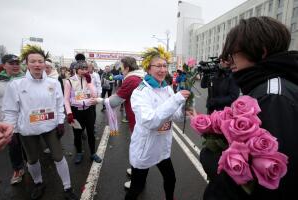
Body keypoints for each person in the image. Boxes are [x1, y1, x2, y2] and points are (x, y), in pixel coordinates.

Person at [202, 16, 298, 200]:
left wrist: (213, 160)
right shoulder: (267, 86)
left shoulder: (273, 96)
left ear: (261, 52)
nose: (230, 62)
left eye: (233, 54)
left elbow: (272, 177)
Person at [2, 45, 77, 200]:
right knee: (32, 159)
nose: (37, 64)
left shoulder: (54, 83)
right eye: (33, 61)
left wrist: (60, 122)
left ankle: (68, 187)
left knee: (58, 156)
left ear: (45, 64)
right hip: (27, 130)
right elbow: (10, 110)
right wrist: (12, 131)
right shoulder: (16, 84)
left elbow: (58, 104)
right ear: (26, 64)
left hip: (49, 127)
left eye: (40, 61)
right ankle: (38, 183)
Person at [125, 46, 191, 200]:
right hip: (145, 148)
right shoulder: (140, 92)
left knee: (171, 179)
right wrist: (176, 99)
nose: (162, 70)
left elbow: (174, 116)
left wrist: (184, 111)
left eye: (165, 66)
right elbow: (151, 121)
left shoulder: (167, 89)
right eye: (158, 66)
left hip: (162, 147)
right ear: (148, 68)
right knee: (137, 188)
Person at [94, 56, 145, 189]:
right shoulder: (139, 77)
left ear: (127, 68)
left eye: (122, 68)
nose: (120, 71)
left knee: (137, 151)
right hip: (140, 118)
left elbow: (115, 101)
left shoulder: (131, 80)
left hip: (137, 120)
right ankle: (136, 172)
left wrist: (100, 100)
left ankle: (137, 182)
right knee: (139, 149)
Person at [64, 61, 102, 164]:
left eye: (86, 69)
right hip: (76, 112)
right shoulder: (69, 81)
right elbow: (66, 99)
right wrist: (69, 113)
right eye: (82, 69)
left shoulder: (89, 79)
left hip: (89, 111)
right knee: (77, 134)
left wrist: (89, 83)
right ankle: (79, 152)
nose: (85, 71)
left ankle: (93, 153)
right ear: (76, 69)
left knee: (91, 133)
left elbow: (94, 95)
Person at [0, 54, 26, 185]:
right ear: (4, 65)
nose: (15, 65)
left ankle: (32, 165)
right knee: (13, 146)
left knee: (28, 145)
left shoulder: (26, 79)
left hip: (25, 119)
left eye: (17, 63)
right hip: (6, 122)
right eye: (11, 63)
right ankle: (18, 169)